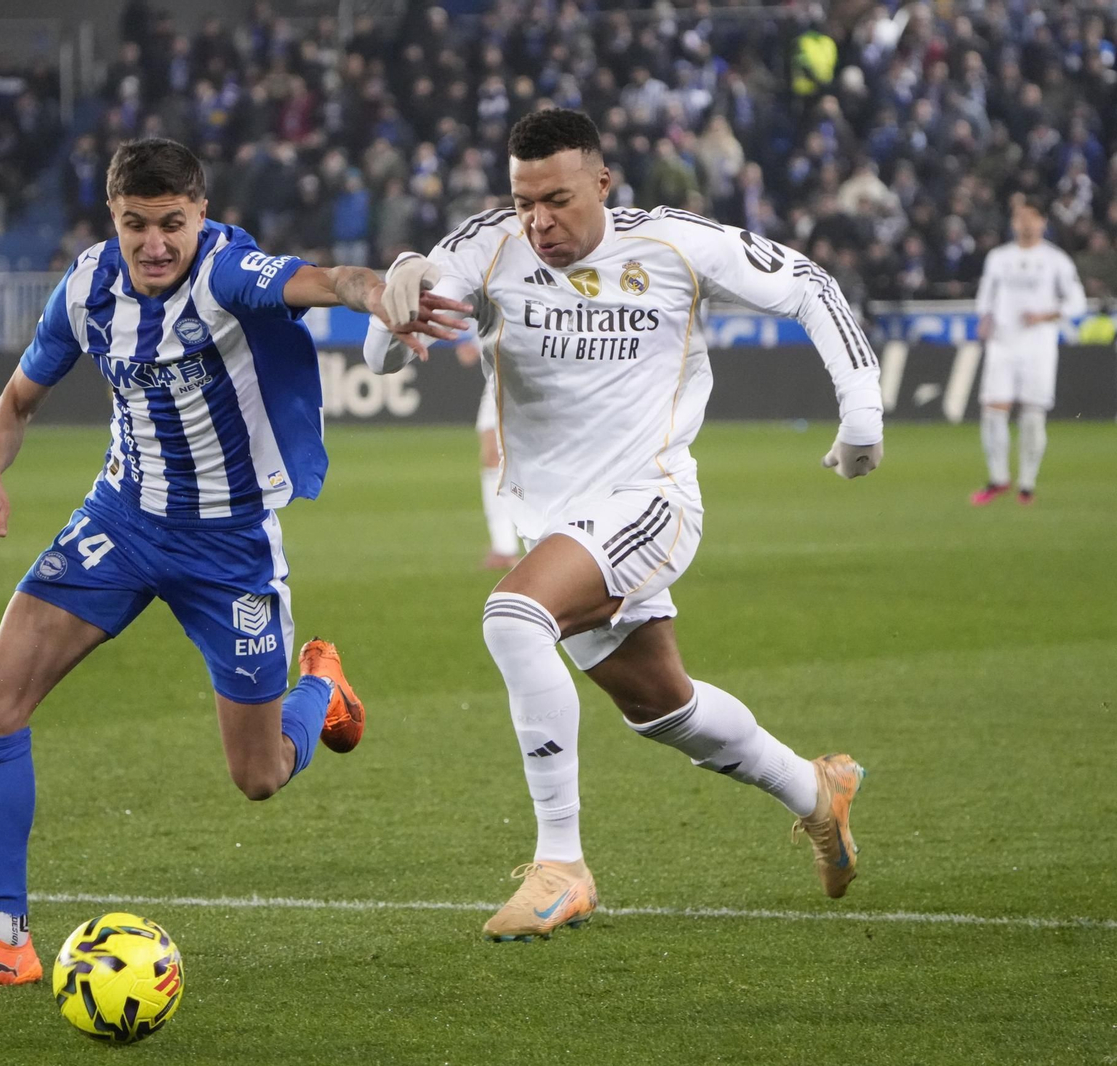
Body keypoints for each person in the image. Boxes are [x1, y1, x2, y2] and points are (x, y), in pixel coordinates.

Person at [0, 138, 460, 988]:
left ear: (201, 214)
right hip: (121, 520)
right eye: (136, 225)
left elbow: (324, 280)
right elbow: (13, 405)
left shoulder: (228, 272)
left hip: (229, 545)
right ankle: (5, 939)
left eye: (172, 223)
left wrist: (383, 293)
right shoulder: (87, 287)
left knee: (260, 774)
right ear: (113, 220)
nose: (155, 243)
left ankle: (324, 690)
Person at [366, 109, 883, 941]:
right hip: (559, 524)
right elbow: (386, 354)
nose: (539, 221)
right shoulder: (486, 244)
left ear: (602, 183)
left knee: (512, 616)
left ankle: (561, 864)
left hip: (651, 499)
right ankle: (816, 791)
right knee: (663, 708)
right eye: (524, 200)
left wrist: (861, 413)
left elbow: (812, 286)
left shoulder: (675, 243)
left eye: (558, 200)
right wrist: (394, 303)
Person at [971, 199, 1088, 505]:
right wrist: (984, 319)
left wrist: (1045, 316)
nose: (1025, 223)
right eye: (1020, 217)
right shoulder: (998, 258)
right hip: (1002, 344)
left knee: (1033, 416)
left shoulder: (1056, 260)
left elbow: (1077, 303)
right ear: (1013, 223)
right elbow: (986, 295)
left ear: (1042, 222)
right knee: (993, 412)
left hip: (1038, 347)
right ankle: (998, 479)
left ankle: (1026, 484)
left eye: (1032, 218)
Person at [457, 333, 520, 569]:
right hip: (502, 368)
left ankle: (558, 541)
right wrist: (475, 341)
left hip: (539, 362)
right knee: (492, 453)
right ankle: (504, 547)